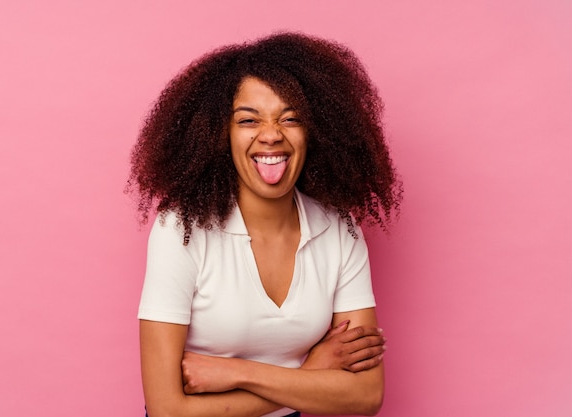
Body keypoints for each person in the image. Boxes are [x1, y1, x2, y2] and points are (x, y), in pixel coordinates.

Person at [128, 32, 402, 417]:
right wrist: (310, 373)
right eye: (248, 120)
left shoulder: (340, 228)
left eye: (291, 118)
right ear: (218, 134)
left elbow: (366, 395)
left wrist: (236, 373)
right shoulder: (181, 229)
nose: (271, 134)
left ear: (316, 131)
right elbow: (167, 410)